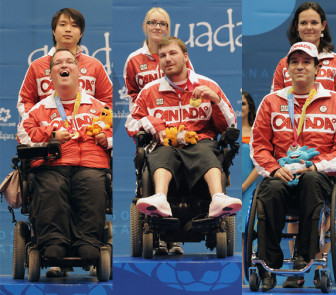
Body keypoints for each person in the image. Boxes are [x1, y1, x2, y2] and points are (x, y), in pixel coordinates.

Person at [251, 42, 336, 291]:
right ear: (287, 68)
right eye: (295, 62)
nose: (300, 66)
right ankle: (268, 264)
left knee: (311, 182)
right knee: (270, 190)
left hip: (317, 177)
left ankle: (303, 255)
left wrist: (317, 166)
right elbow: (259, 145)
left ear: (317, 68)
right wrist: (275, 169)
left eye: (307, 62)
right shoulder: (271, 101)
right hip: (282, 174)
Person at [125, 37, 241, 241]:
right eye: (162, 56)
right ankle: (160, 198)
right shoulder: (150, 91)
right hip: (166, 144)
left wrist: (216, 100)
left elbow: (230, 126)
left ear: (185, 57)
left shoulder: (208, 85)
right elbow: (131, 123)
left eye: (172, 53)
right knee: (161, 154)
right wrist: (151, 121)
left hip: (200, 142)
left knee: (207, 151)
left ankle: (217, 198)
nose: (167, 59)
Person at [16, 49, 112, 269]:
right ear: (51, 75)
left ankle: (87, 242)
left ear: (79, 73)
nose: (64, 65)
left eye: (70, 61)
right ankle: (53, 242)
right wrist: (50, 134)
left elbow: (114, 133)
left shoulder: (99, 107)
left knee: (92, 185)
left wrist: (105, 138)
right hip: (53, 163)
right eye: (58, 63)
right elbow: (23, 134)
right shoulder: (39, 109)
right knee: (51, 186)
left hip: (90, 163)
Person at [17, 8, 112, 118]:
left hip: (87, 132)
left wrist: (98, 126)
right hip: (49, 132)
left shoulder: (94, 65)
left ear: (81, 33)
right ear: (53, 30)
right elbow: (25, 102)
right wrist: (38, 126)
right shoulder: (37, 66)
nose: (68, 29)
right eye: (62, 24)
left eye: (74, 25)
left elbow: (108, 101)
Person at [271, 1, 336, 104]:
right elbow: (274, 103)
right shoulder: (284, 63)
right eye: (303, 23)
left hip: (325, 119)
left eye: (314, 23)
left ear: (323, 26)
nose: (308, 27)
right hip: (291, 119)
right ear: (297, 26)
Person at [123, 7, 194, 112]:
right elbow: (132, 94)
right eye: (153, 22)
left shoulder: (179, 56)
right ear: (145, 26)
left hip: (176, 114)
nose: (157, 27)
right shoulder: (133, 59)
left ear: (167, 29)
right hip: (148, 116)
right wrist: (141, 116)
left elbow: (191, 85)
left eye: (162, 24)